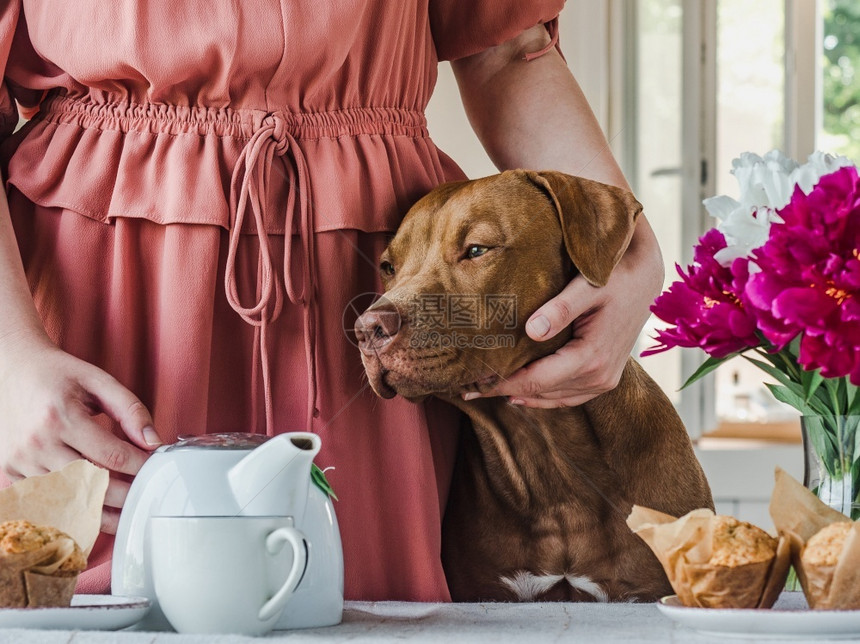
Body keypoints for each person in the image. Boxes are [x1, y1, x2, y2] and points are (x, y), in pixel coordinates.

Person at [0, 2, 663, 600]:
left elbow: (503, 48)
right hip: (93, 303)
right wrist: (9, 358)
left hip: (369, 293)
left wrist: (623, 251)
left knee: (368, 598)